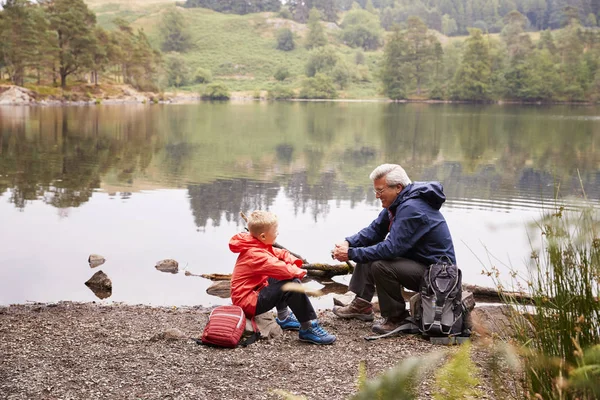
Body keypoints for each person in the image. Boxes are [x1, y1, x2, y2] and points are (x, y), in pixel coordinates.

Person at [331, 164, 455, 334]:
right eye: (376, 191)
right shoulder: (398, 203)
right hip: (418, 263)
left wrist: (351, 254)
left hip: (438, 276)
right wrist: (348, 243)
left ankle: (396, 318)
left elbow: (391, 249)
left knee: (380, 264)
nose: (376, 196)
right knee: (369, 249)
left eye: (380, 191)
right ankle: (362, 305)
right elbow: (374, 231)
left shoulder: (412, 208)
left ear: (398, 188)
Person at [229, 210, 336, 345]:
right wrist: (299, 272)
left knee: (280, 278)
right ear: (263, 236)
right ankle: (307, 328)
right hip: (247, 302)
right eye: (275, 231)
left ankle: (284, 318)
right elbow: (282, 269)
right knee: (291, 283)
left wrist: (295, 261)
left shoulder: (254, 243)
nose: (277, 233)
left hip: (251, 293)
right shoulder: (255, 255)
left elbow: (278, 252)